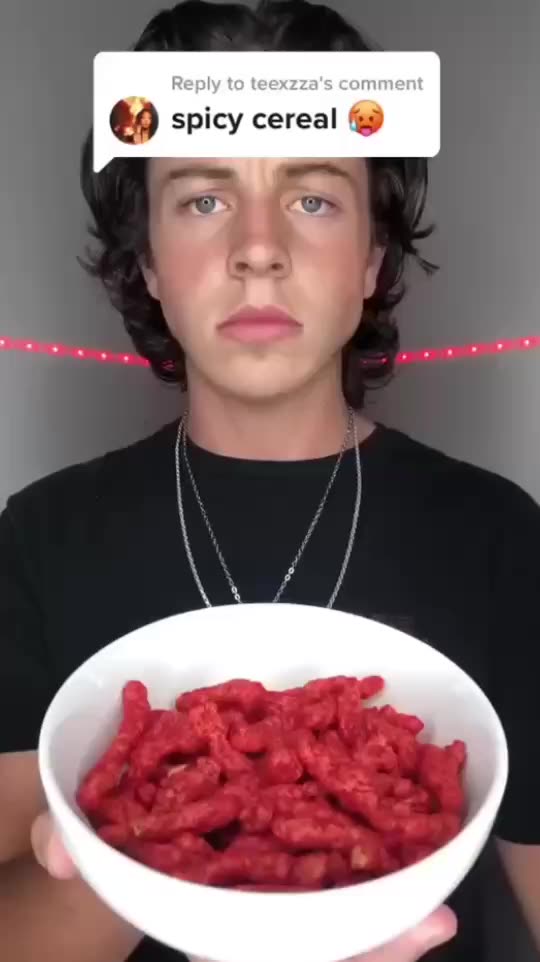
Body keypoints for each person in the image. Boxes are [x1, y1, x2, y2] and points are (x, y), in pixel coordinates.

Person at [0, 1, 539, 961]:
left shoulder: (501, 537)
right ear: (148, 262)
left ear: (372, 257)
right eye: (203, 199)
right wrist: (144, 851)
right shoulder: (36, 540)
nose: (258, 247)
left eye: (313, 197)